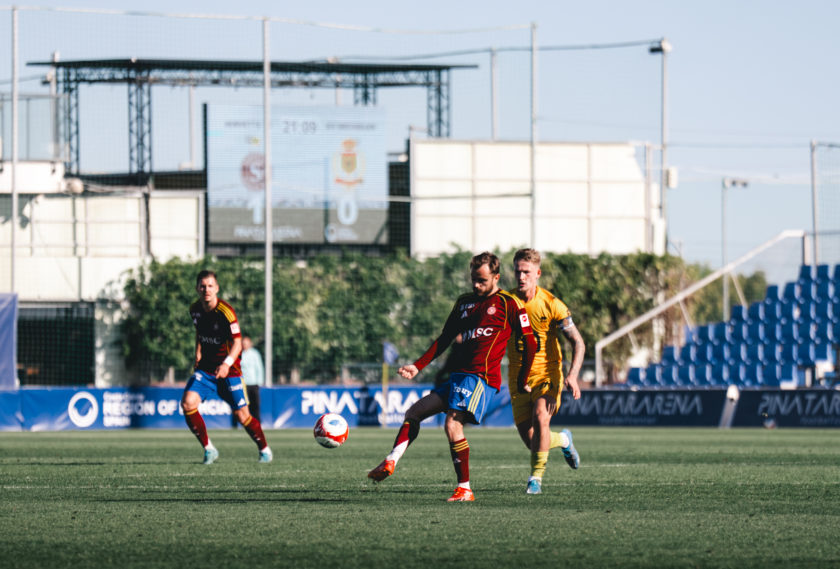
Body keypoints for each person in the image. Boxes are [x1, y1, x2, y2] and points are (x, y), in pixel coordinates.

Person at [367, 252, 537, 502]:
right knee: (414, 413)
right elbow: (445, 338)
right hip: (458, 377)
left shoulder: (509, 303)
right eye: (473, 280)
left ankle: (464, 488)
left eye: (482, 280)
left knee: (452, 424)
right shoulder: (464, 302)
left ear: (496, 277)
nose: (476, 285)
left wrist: (523, 378)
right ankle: (391, 461)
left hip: (481, 378)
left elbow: (531, 343)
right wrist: (418, 366)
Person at [507, 248, 585, 494]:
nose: (521, 277)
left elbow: (578, 342)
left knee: (542, 416)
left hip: (547, 375)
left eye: (526, 272)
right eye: (518, 271)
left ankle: (535, 480)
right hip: (519, 378)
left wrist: (572, 375)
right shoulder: (506, 303)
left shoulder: (553, 305)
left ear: (538, 273)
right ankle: (563, 440)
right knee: (533, 441)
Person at [181, 270, 272, 465]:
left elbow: (238, 343)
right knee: (188, 403)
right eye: (203, 286)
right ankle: (209, 449)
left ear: (217, 288)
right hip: (206, 370)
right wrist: (197, 351)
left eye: (210, 286)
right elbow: (199, 331)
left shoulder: (226, 312)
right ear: (197, 288)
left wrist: (226, 364)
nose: (206, 290)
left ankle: (264, 449)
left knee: (242, 416)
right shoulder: (194, 309)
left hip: (229, 371)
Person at [235, 335, 265, 426]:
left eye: (246, 344)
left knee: (255, 405)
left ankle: (257, 424)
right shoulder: (238, 353)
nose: (245, 345)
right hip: (242, 383)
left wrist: (259, 381)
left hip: (253, 383)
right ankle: (237, 425)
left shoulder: (255, 354)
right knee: (241, 405)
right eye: (243, 344)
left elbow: (259, 368)